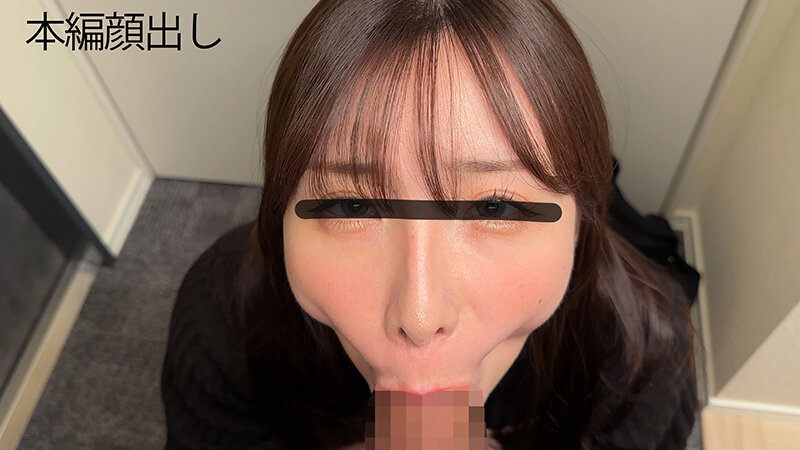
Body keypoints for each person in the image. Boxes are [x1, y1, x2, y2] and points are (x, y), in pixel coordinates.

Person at [160, 0, 699, 448]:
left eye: (494, 208)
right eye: (353, 207)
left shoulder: (643, 356)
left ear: (582, 221)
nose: (419, 317)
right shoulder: (223, 318)